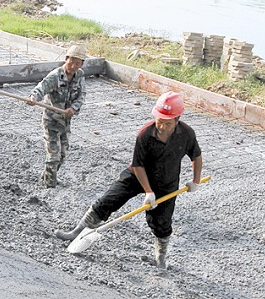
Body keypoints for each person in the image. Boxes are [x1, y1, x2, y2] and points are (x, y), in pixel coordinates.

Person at [54, 91, 203, 270]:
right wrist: (148, 191)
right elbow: (138, 165)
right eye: (159, 121)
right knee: (108, 200)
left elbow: (196, 156)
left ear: (177, 120)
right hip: (136, 176)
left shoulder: (186, 134)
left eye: (167, 123)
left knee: (162, 222)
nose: (162, 126)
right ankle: (76, 232)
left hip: (166, 182)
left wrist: (196, 181)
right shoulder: (145, 135)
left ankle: (160, 257)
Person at [28, 44, 87, 188]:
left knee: (62, 154)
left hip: (65, 122)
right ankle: (49, 186)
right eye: (71, 61)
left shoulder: (80, 76)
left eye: (77, 63)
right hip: (51, 121)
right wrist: (34, 98)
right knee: (53, 155)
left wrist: (73, 108)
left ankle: (47, 176)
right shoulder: (55, 76)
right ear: (66, 59)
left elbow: (81, 96)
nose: (73, 66)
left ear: (81, 64)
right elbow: (41, 88)